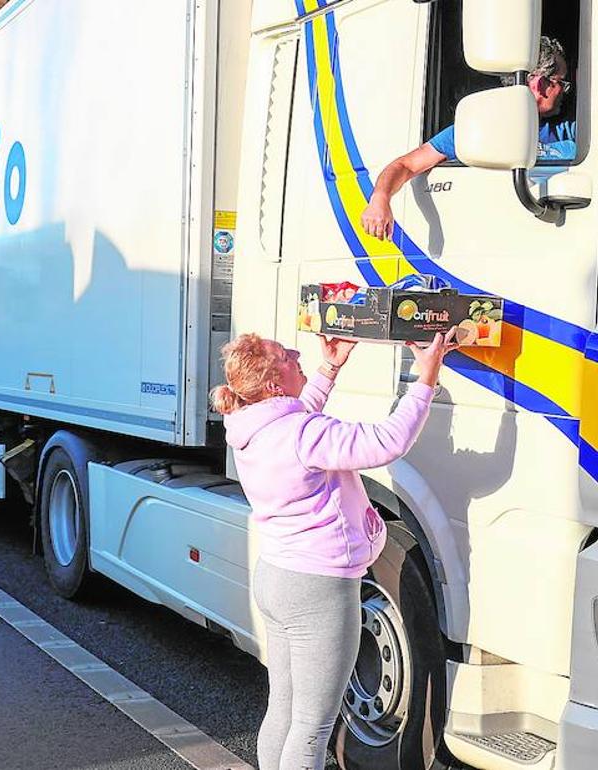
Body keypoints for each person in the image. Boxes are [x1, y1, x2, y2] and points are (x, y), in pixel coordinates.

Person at [211, 330, 457, 770]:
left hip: (277, 578)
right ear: (273, 384)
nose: (296, 353)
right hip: (319, 589)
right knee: (311, 726)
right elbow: (387, 442)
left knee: (284, 709)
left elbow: (295, 418)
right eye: (286, 356)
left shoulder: (250, 427)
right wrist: (426, 379)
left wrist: (331, 368)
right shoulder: (303, 434)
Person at [362, 35, 576, 240]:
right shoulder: (480, 126)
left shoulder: (565, 128)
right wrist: (380, 198)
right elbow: (405, 165)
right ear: (540, 84)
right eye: (561, 83)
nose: (565, 92)